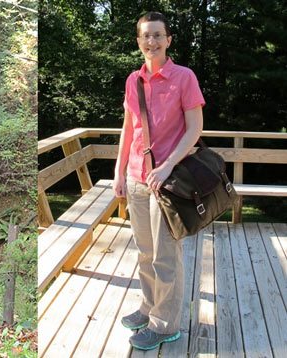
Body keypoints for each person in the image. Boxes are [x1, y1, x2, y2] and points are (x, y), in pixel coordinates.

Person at [113, 12, 205, 351]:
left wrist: (166, 166)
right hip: (136, 177)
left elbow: (195, 128)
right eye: (145, 36)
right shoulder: (133, 80)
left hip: (169, 181)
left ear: (168, 40)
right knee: (145, 251)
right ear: (138, 42)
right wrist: (119, 171)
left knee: (166, 255)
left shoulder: (184, 78)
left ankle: (165, 325)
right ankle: (149, 307)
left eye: (157, 36)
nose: (151, 42)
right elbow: (128, 127)